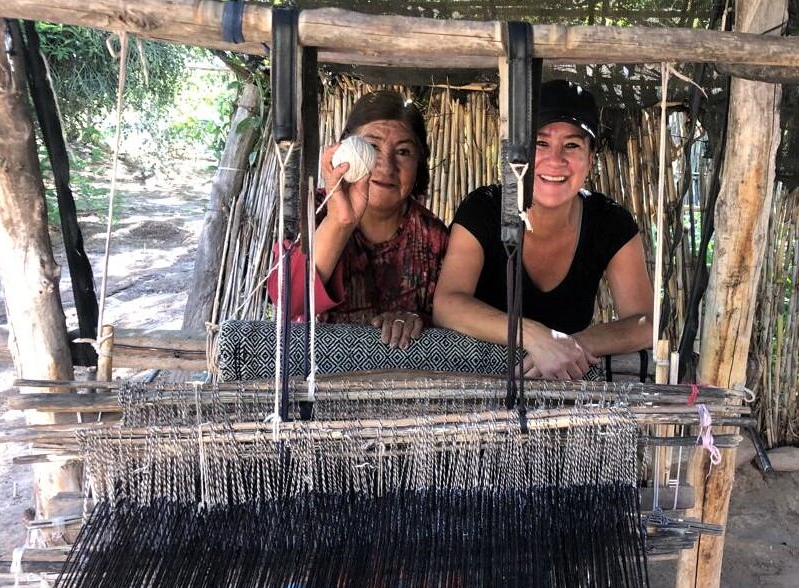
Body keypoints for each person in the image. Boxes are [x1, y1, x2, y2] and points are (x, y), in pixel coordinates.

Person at [433, 80, 653, 379]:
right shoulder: (483, 210)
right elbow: (447, 305)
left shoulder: (611, 223)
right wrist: (536, 337)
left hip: (564, 389)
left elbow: (646, 322)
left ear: (590, 158)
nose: (555, 160)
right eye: (540, 143)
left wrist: (573, 345)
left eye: (572, 145)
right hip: (477, 386)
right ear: (518, 153)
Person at [267, 90, 448, 349]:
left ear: (419, 163)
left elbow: (450, 322)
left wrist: (418, 320)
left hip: (402, 382)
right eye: (372, 147)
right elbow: (286, 301)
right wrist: (339, 222)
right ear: (346, 149)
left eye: (404, 151)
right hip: (317, 379)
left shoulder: (434, 238)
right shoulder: (310, 211)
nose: (386, 166)